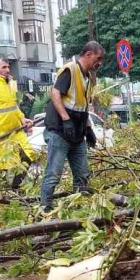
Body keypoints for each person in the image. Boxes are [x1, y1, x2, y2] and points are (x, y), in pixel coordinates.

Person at [40, 41, 104, 208]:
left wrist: (89, 129)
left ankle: (79, 209)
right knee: (53, 174)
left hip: (78, 134)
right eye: (98, 58)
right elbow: (55, 94)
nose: (100, 63)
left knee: (82, 175)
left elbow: (82, 107)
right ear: (88, 54)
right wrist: (66, 119)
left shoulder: (88, 77)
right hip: (60, 132)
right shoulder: (71, 69)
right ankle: (45, 208)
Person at [0, 55, 35, 190]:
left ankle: (15, 189)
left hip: (15, 131)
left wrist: (22, 118)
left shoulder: (7, 84)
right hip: (0, 135)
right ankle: (2, 194)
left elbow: (13, 106)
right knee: (2, 167)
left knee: (29, 156)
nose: (8, 70)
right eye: (4, 67)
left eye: (8, 67)